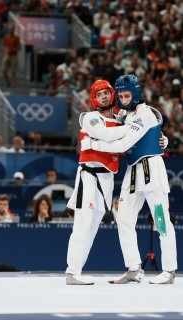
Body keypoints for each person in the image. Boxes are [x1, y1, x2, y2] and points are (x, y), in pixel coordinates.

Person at [81, 74, 177, 285]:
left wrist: (92, 146)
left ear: (136, 93)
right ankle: (134, 267)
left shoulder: (147, 114)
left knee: (161, 220)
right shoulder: (123, 114)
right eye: (121, 96)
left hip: (152, 168)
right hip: (132, 172)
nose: (124, 99)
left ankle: (169, 271)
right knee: (123, 218)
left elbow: (123, 145)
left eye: (127, 95)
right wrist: (163, 139)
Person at [65, 79, 129, 285]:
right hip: (88, 175)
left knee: (92, 228)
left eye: (106, 93)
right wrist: (130, 130)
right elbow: (105, 134)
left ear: (112, 95)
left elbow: (119, 143)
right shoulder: (89, 118)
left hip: (107, 178)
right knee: (82, 223)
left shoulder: (121, 119)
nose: (104, 97)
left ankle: (76, 271)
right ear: (94, 98)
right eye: (99, 94)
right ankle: (72, 272)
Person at [2, 23, 20, 88]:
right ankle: (8, 82)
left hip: (14, 55)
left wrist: (12, 50)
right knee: (4, 69)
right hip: (7, 55)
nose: (11, 30)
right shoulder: (6, 37)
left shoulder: (16, 38)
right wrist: (5, 51)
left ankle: (13, 84)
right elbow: (4, 45)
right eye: (10, 29)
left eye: (12, 29)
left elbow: (19, 47)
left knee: (13, 71)